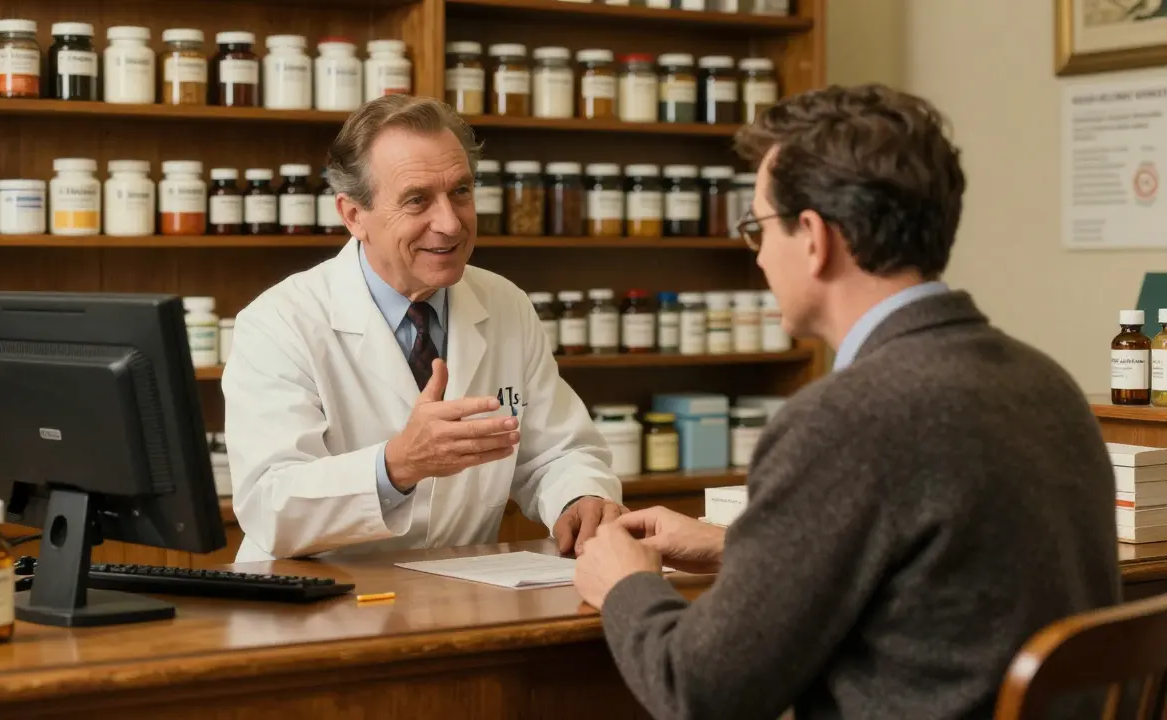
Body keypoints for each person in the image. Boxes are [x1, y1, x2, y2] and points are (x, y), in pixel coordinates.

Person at [573, 84, 1121, 718]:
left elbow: (699, 690)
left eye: (756, 228)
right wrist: (738, 548)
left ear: (813, 237)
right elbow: (945, 576)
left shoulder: (843, 419)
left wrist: (626, 584)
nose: (756, 254)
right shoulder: (1046, 384)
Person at [222, 95, 624, 562]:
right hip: (316, 607)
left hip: (457, 595)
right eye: (418, 200)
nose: (450, 223)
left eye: (461, 192)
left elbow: (556, 451)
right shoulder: (279, 323)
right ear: (354, 215)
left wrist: (580, 497)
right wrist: (397, 465)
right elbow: (271, 506)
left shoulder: (505, 303)